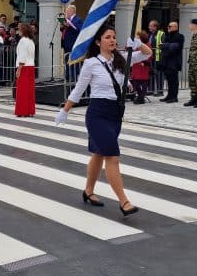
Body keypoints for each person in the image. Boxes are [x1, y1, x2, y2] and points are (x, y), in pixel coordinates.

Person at [55, 25, 151, 217]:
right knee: (112, 157)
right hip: (97, 114)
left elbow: (147, 55)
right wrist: (65, 110)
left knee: (98, 154)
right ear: (99, 42)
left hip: (115, 114)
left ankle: (88, 191)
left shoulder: (121, 59)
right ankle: (124, 202)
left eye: (114, 37)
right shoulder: (91, 63)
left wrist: (139, 44)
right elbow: (79, 89)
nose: (112, 40)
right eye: (108, 37)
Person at [14, 22, 36, 117]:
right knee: (29, 91)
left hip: (24, 67)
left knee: (22, 91)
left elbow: (22, 56)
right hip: (31, 66)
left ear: (24, 30)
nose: (18, 31)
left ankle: (22, 111)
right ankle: (29, 110)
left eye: (19, 29)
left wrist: (19, 69)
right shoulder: (31, 41)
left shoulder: (23, 41)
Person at [159, 20, 184, 103]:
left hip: (174, 62)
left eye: (170, 26)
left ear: (175, 27)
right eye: (168, 26)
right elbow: (165, 46)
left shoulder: (179, 36)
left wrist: (165, 45)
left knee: (174, 81)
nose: (168, 28)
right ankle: (169, 96)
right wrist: (165, 46)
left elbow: (174, 47)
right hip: (167, 61)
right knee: (169, 80)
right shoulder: (168, 36)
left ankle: (174, 97)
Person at [61, 4, 83, 84]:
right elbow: (64, 30)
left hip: (73, 44)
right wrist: (63, 25)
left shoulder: (78, 19)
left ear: (72, 11)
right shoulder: (68, 19)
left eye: (67, 11)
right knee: (67, 61)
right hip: (66, 44)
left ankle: (73, 78)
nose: (66, 12)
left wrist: (70, 25)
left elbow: (79, 29)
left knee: (73, 62)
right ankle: (67, 77)